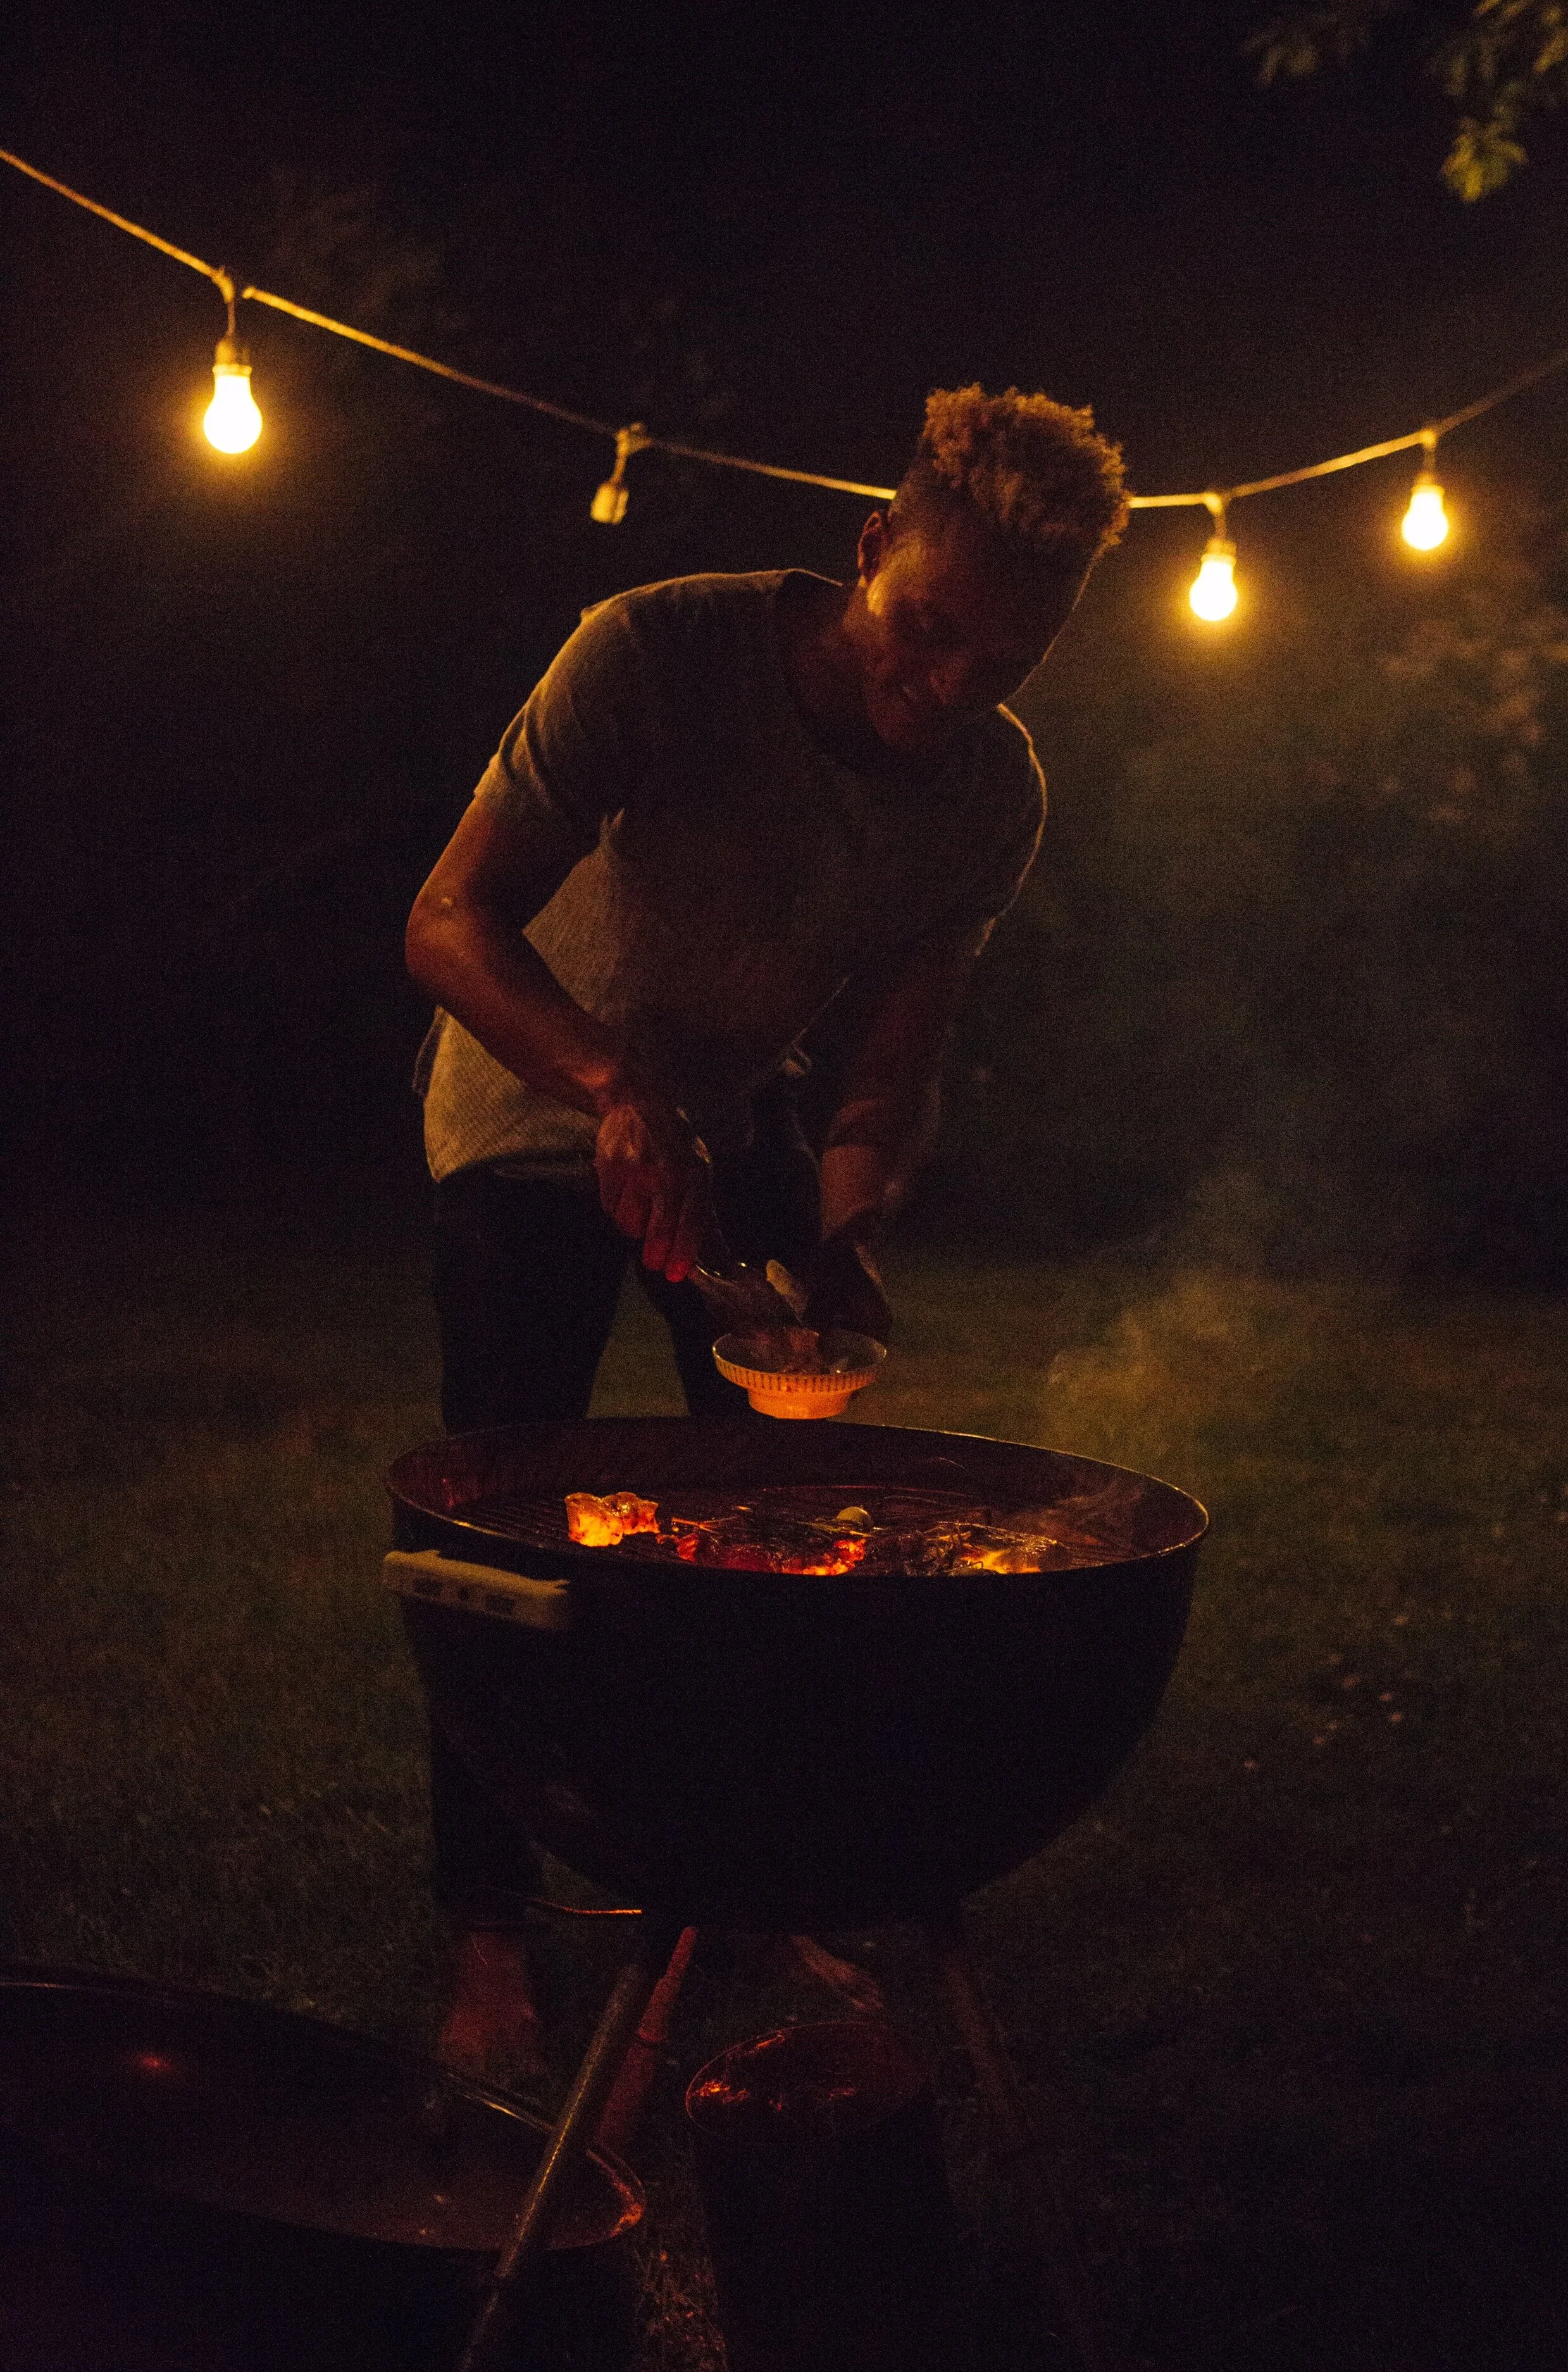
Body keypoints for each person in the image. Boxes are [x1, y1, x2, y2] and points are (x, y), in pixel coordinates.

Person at [404, 385, 1128, 2077]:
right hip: (526, 1100)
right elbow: (446, 922)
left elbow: (887, 1072)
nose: (945, 689)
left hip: (731, 1125)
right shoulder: (653, 655)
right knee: (500, 1537)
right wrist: (607, 1088)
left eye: (998, 664)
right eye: (927, 632)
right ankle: (488, 1928)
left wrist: (848, 1220)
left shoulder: (988, 796)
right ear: (870, 550)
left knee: (774, 1537)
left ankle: (726, 1886)